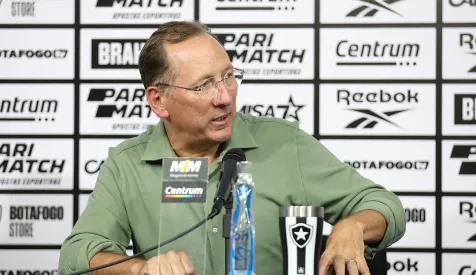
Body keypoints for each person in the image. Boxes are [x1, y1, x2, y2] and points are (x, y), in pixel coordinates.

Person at [58, 20, 406, 275]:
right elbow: (78, 256)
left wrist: (353, 227)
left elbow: (384, 206)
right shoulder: (127, 164)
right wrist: (143, 269)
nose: (225, 97)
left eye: (228, 76)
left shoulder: (284, 144)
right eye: (203, 86)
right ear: (159, 100)